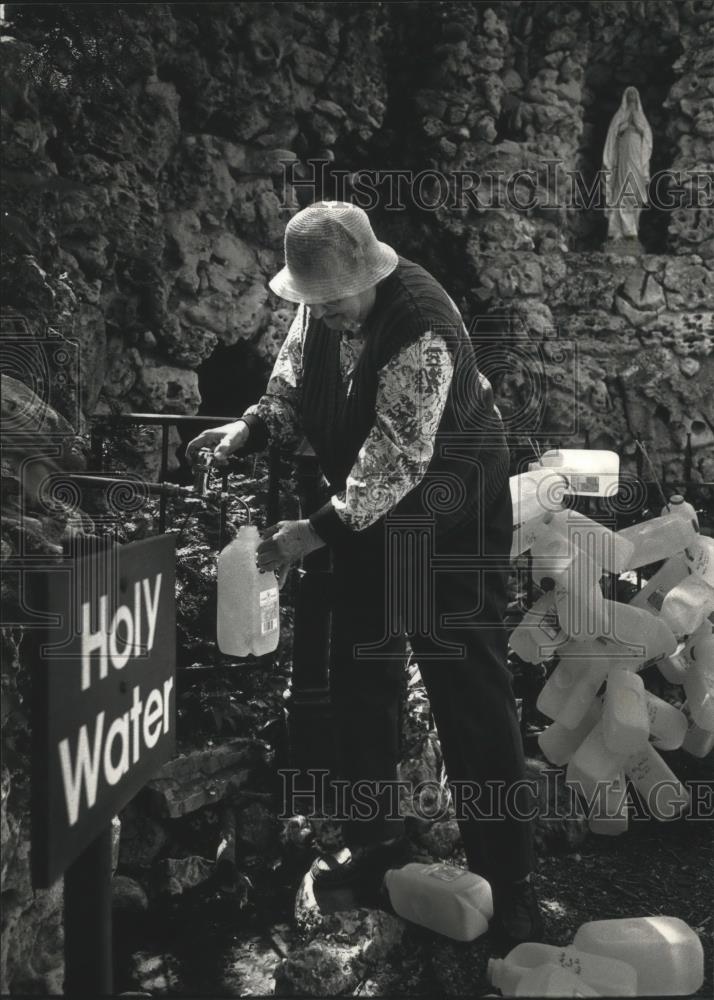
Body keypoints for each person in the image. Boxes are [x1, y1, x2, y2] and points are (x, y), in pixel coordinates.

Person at [186, 202, 542, 950]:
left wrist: (309, 536)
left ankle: (509, 882)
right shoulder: (322, 304)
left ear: (371, 272)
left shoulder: (419, 323)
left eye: (338, 300)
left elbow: (398, 458)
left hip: (448, 513)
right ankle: (377, 841)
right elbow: (290, 383)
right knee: (360, 672)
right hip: (369, 514)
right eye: (315, 303)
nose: (330, 315)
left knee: (467, 687)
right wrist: (248, 427)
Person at [603, 86, 653, 241]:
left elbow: (648, 138)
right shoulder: (620, 115)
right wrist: (625, 125)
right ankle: (619, 230)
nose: (631, 97)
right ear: (625, 97)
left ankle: (632, 228)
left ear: (637, 98)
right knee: (622, 188)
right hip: (623, 154)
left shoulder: (641, 117)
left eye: (634, 94)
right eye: (629, 94)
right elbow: (613, 135)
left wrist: (637, 126)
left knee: (635, 189)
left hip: (637, 155)